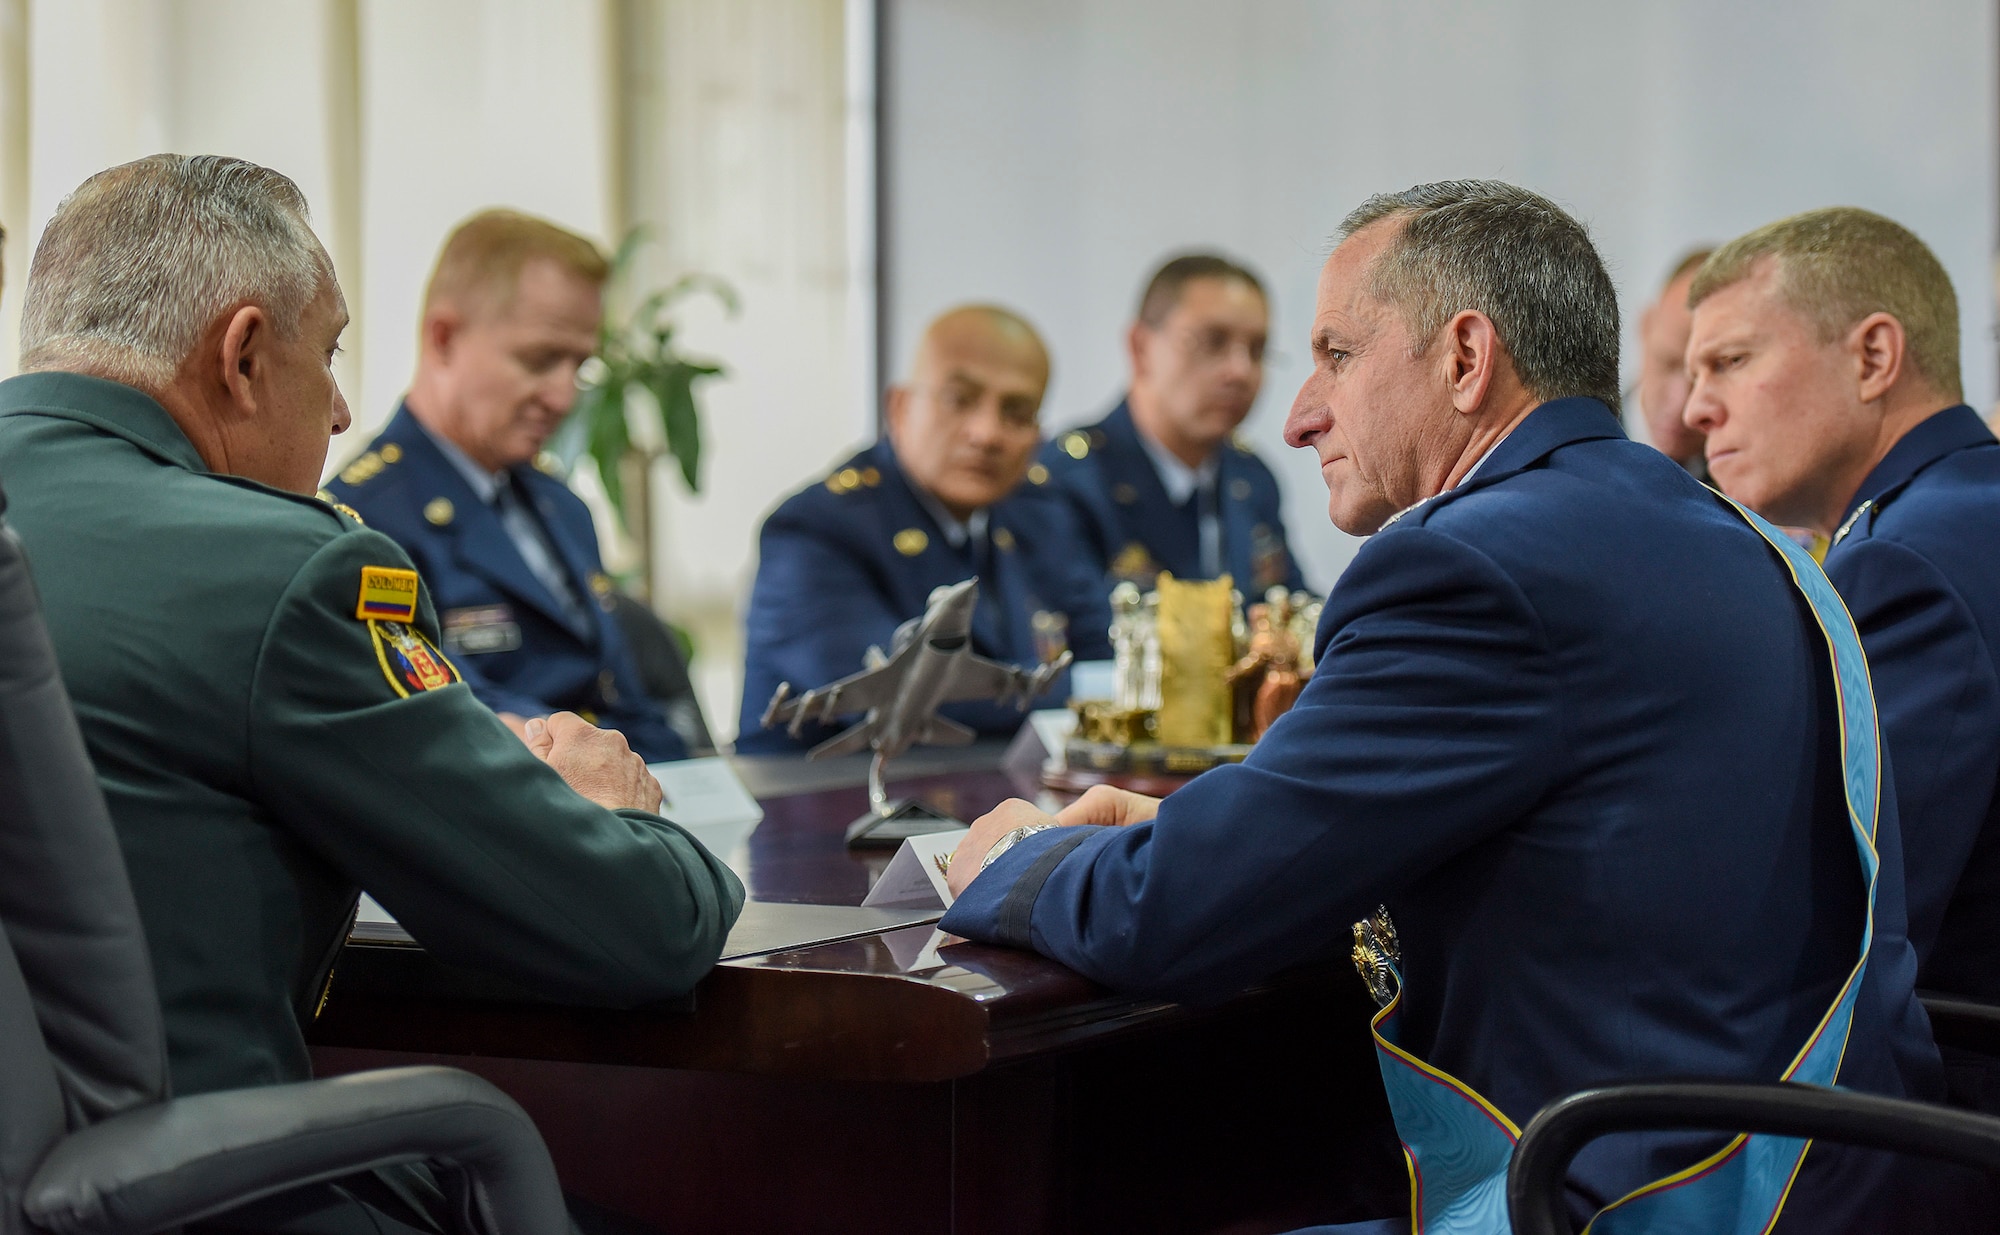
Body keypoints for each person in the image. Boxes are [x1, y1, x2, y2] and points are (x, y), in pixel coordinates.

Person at [940, 181, 1961, 1231]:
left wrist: (1014, 865)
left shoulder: (1469, 562)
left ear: (1465, 359)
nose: (1296, 415)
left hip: (1634, 1200)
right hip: (1833, 1172)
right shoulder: (1739, 539)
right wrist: (1201, 818)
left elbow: (1172, 915)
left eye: (1335, 354)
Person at [0, 155, 742, 1234]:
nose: (346, 410)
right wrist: (619, 811)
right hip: (197, 1194)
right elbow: (640, 931)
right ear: (244, 354)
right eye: (331, 351)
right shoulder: (278, 571)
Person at [1685, 207, 2000, 1089]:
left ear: (1872, 357)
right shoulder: (1968, 508)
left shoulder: (1907, 559)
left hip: (1946, 1119)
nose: (1694, 406)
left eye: (1732, 362)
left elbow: (1837, 923)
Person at [324, 209, 685, 762]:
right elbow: (449, 714)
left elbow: (627, 702)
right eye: (540, 360)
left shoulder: (563, 508)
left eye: (579, 366)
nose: (564, 397)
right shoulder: (363, 520)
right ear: (443, 339)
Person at [737, 305, 1112, 754]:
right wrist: (1087, 690)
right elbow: (912, 699)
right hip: (832, 806)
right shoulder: (816, 531)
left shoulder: (1038, 516)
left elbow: (1103, 651)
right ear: (899, 407)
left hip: (1008, 802)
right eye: (960, 399)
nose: (986, 433)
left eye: (1016, 411)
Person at [1038, 254, 1307, 593]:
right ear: (1141, 348)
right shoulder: (1070, 482)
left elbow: (1292, 607)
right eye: (1213, 341)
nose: (1241, 371)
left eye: (1257, 349)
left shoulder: (1250, 479)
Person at [1633, 247, 1713, 475]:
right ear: (1646, 326)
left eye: (1700, 379)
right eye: (1667, 363)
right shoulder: (1574, 451)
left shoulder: (1746, 489)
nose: (1681, 407)